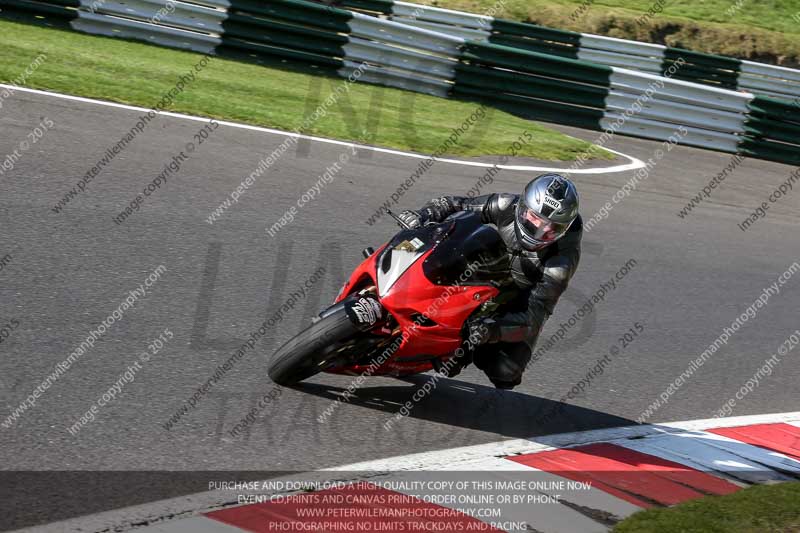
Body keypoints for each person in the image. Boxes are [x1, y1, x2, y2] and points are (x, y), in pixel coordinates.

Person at [397, 173, 581, 389]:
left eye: (551, 229)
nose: (540, 232)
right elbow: (456, 204)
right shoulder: (505, 204)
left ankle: (462, 348)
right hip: (480, 268)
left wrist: (494, 330)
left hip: (514, 300)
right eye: (535, 220)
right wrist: (423, 214)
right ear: (522, 207)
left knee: (505, 371)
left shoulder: (560, 264)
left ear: (563, 229)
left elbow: (535, 317)